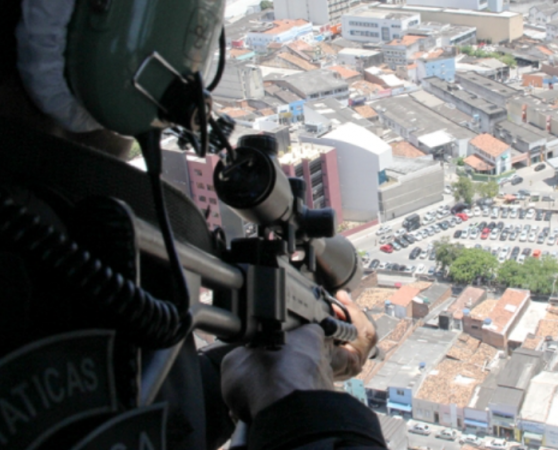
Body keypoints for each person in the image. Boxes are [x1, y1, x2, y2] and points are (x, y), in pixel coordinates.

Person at [0, 2, 383, 450]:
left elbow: (109, 417)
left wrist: (238, 374)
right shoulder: (46, 245)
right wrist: (301, 404)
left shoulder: (51, 238)